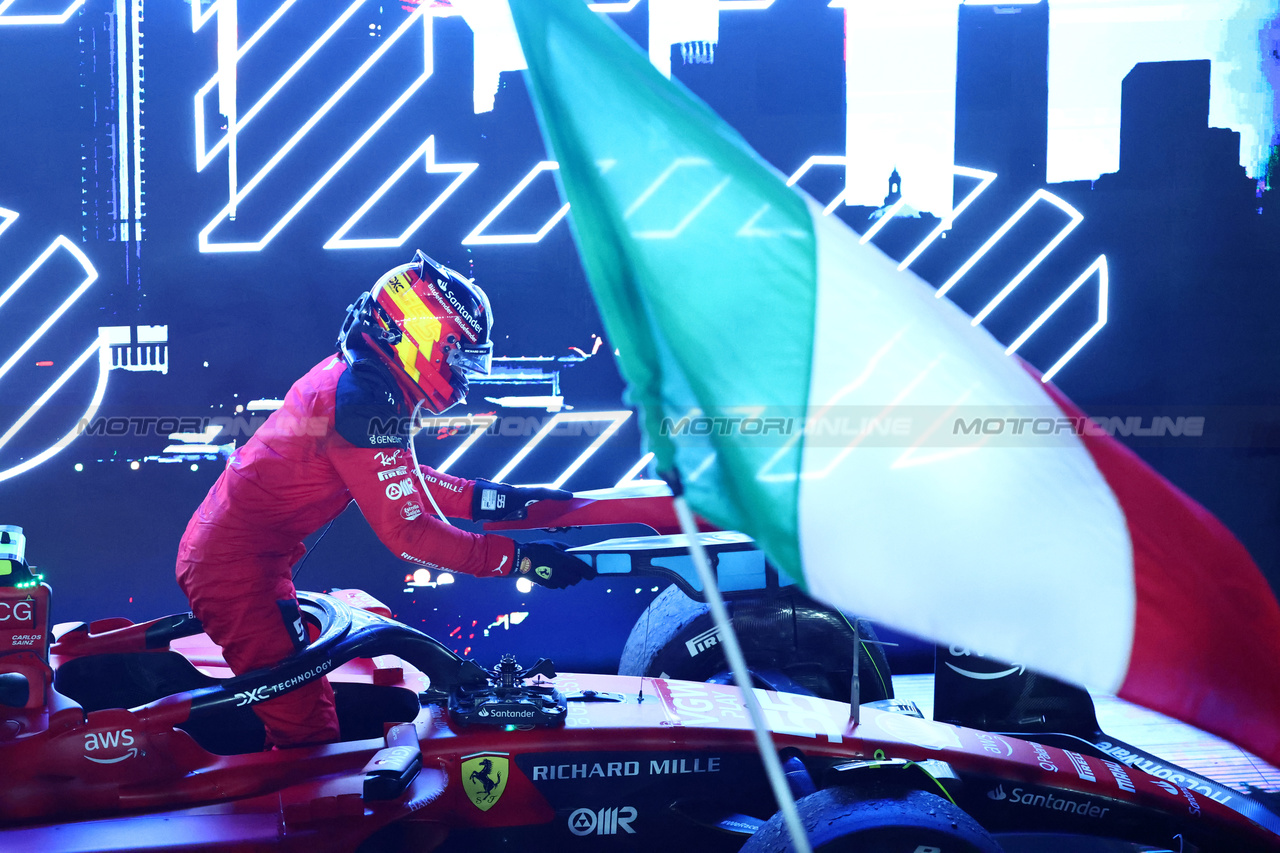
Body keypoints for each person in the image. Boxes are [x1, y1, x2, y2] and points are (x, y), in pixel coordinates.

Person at [175, 250, 595, 747]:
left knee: (313, 711)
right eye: (457, 353)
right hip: (236, 572)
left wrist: (505, 501)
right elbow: (410, 535)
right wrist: (520, 561)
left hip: (248, 559)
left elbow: (404, 480)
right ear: (419, 336)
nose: (461, 371)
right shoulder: (363, 399)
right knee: (309, 734)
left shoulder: (364, 378)